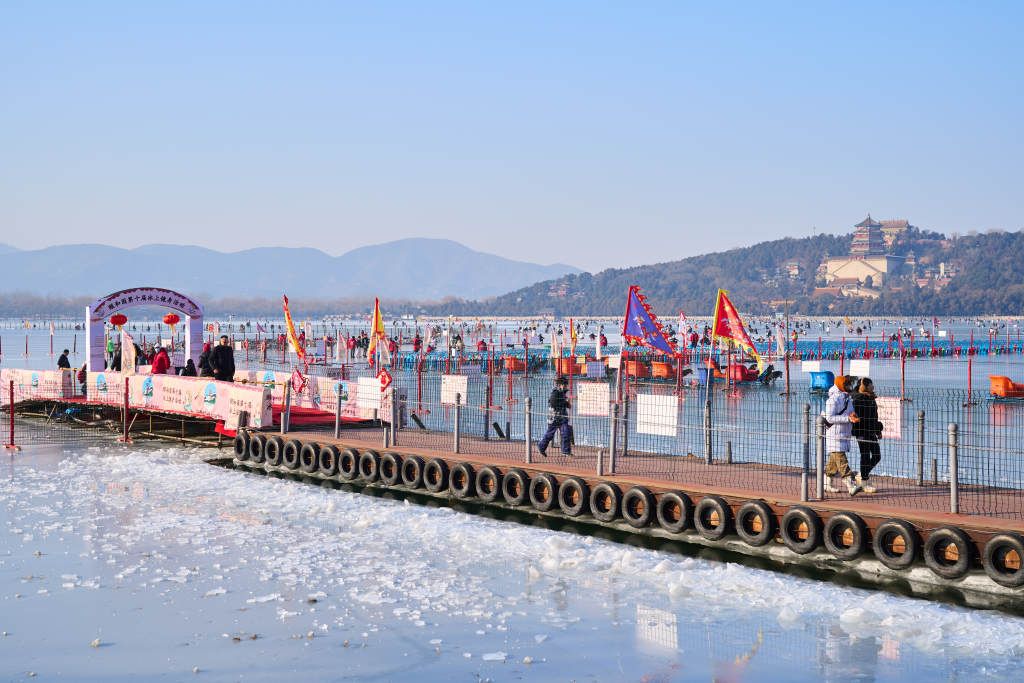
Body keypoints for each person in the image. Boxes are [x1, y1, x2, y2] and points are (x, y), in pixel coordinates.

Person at [822, 375, 863, 496]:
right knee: (842, 460)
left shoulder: (847, 398)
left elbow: (850, 412)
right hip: (834, 435)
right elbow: (830, 418)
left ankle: (827, 484)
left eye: (849, 384)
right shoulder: (832, 400)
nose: (849, 386)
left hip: (844, 433)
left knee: (833, 462)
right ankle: (851, 485)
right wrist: (847, 419)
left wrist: (853, 415)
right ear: (840, 385)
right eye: (847, 384)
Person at [852, 377, 883, 494]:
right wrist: (859, 430)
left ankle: (861, 475)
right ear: (864, 386)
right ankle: (864, 482)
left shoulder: (871, 397)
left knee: (877, 456)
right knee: (865, 456)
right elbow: (856, 417)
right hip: (861, 431)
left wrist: (878, 430)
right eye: (870, 384)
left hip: (871, 431)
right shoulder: (857, 399)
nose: (873, 386)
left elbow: (874, 416)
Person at [537, 375, 572, 457]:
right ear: (560, 385)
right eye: (564, 385)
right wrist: (565, 403)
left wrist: (567, 404)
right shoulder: (555, 393)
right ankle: (541, 447)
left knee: (566, 433)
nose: (565, 386)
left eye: (566, 385)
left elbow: (564, 403)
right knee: (550, 434)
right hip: (554, 418)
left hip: (563, 417)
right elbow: (553, 403)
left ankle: (566, 451)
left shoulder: (563, 392)